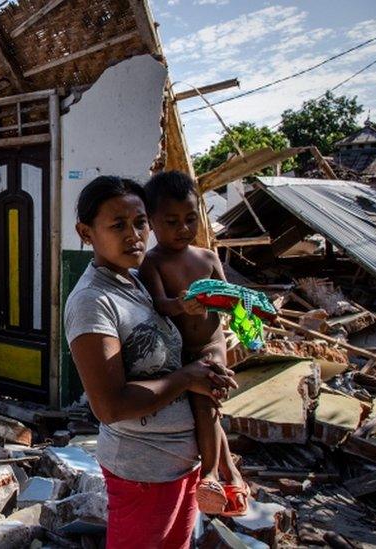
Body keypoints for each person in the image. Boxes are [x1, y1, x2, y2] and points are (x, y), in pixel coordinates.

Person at [64, 175, 236, 548]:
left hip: (180, 465)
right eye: (118, 225)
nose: (134, 235)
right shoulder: (93, 301)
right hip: (143, 472)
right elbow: (110, 406)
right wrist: (189, 377)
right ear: (86, 232)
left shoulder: (137, 281)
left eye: (140, 222)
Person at [138, 171, 248, 516]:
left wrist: (248, 321)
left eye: (190, 219)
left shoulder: (209, 258)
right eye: (172, 221)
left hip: (212, 345)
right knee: (208, 414)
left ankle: (211, 475)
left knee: (206, 408)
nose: (184, 228)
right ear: (152, 222)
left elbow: (231, 298)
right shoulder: (152, 262)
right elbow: (159, 304)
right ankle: (231, 475)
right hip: (179, 353)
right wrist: (181, 304)